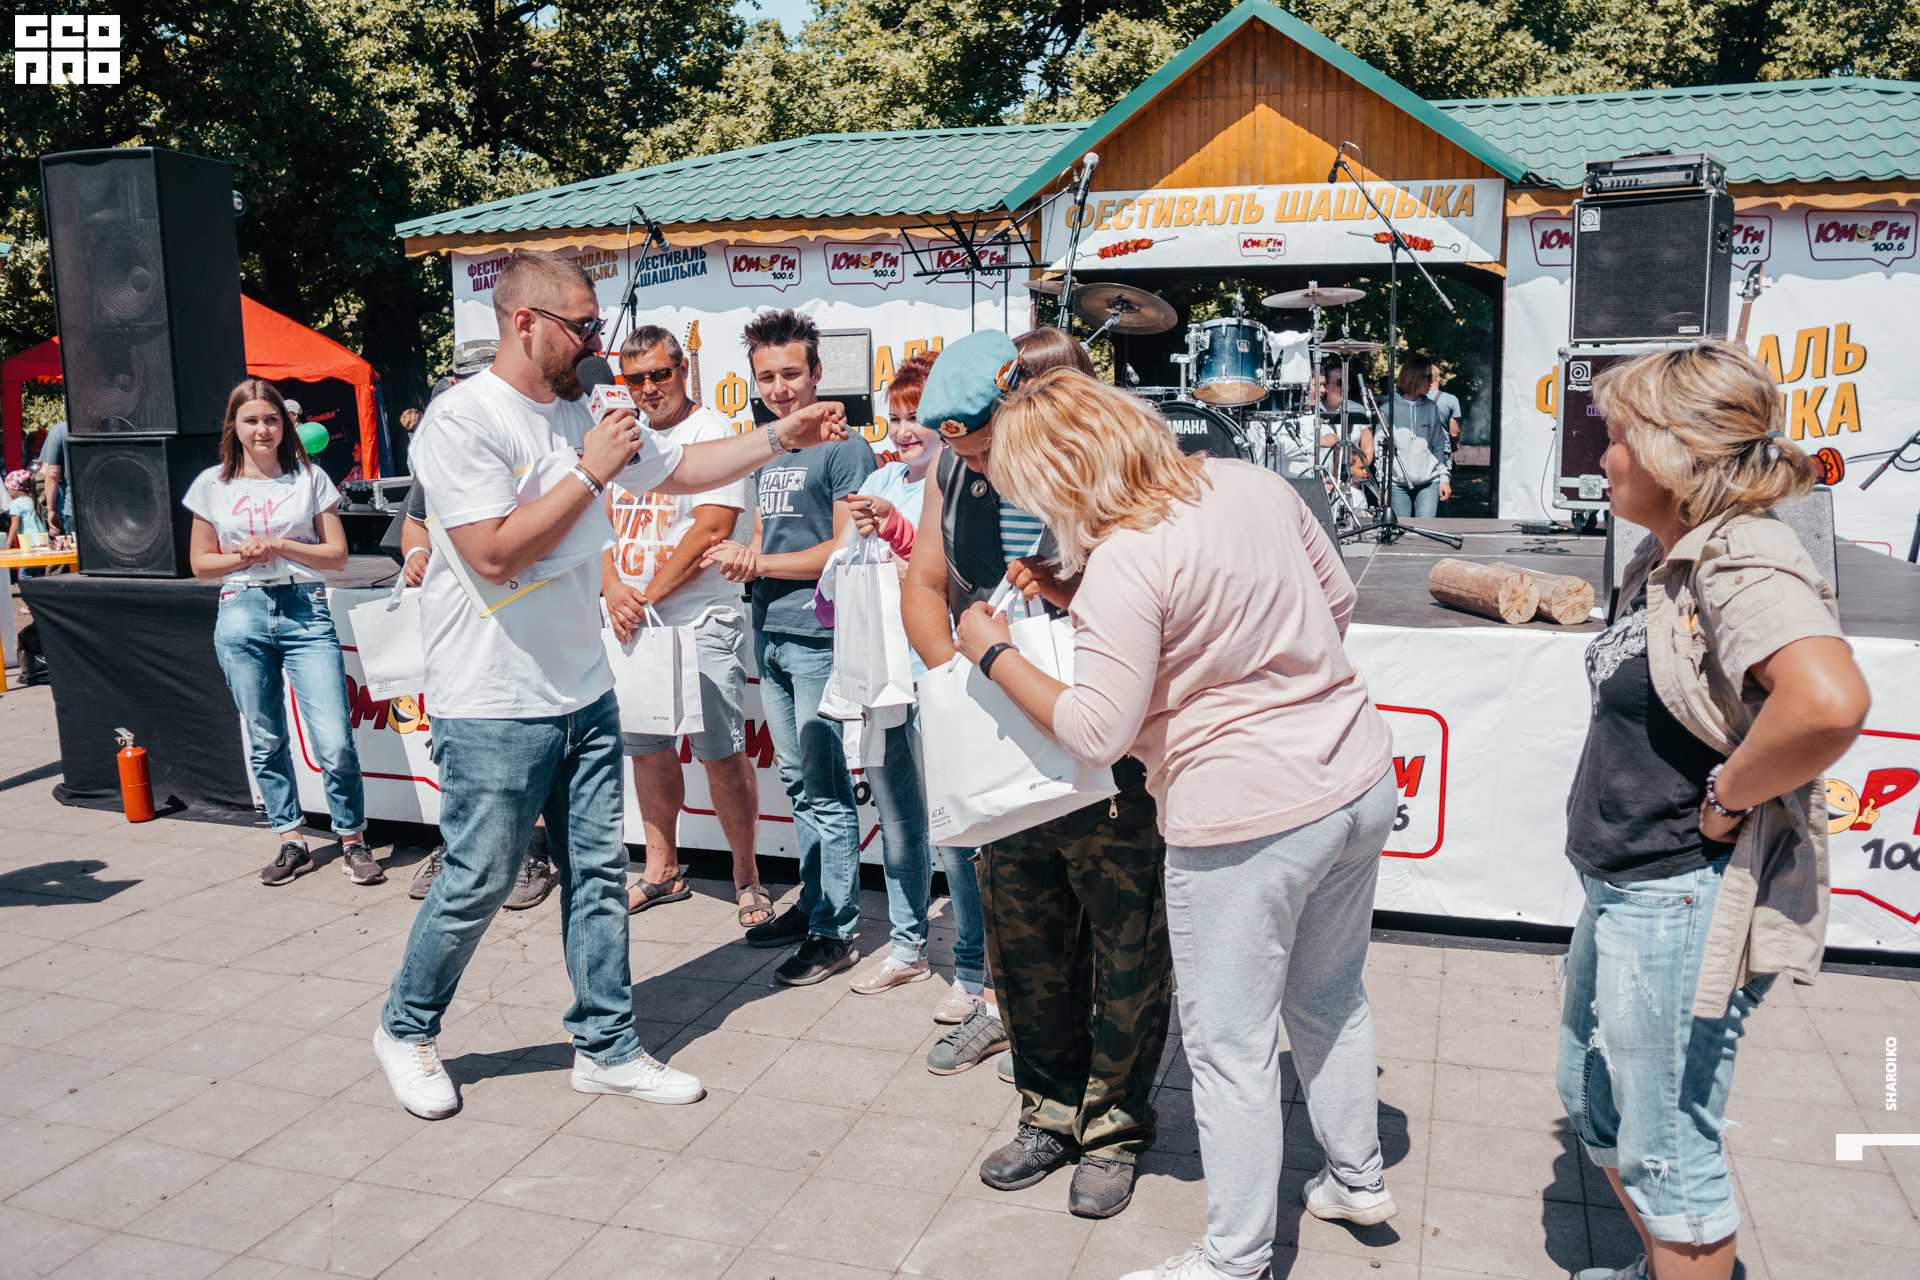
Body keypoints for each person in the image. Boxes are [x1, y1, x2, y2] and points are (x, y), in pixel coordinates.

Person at [374, 251, 850, 1122]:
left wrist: (784, 435)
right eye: (583, 327)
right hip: (492, 699)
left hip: (584, 690)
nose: (599, 345)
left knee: (597, 877)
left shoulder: (584, 410)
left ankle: (607, 1047)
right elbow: (492, 553)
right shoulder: (462, 419)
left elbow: (683, 468)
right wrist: (589, 471)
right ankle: (406, 1028)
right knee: (480, 877)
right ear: (525, 324)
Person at [952, 366, 1400, 1278]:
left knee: (1230, 1047)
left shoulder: (1125, 558)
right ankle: (1357, 1176)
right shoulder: (1249, 482)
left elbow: (1096, 729)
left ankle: (1236, 1256)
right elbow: (1337, 603)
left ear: (1062, 474)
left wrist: (993, 652)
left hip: (1242, 816)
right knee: (1330, 998)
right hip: (1354, 776)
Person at [1559, 343, 1870, 1280]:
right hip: (1629, 883)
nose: (1600, 455)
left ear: (1673, 453)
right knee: (1595, 1102)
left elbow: (1827, 703)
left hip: (1678, 897)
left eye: (1616, 436)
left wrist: (1727, 798)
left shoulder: (1739, 556)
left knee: (1668, 1157)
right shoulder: (1667, 553)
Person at [902, 328, 1173, 1219]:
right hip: (1003, 732)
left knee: (1127, 949)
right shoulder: (951, 472)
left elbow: (1152, 593)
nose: (978, 465)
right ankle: (1048, 1114)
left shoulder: (1106, 464)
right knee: (1024, 947)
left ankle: (1115, 1128)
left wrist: (1061, 591)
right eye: (966, 453)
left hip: (1106, 740)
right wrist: (952, 677)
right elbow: (925, 584)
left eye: (987, 448)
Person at [702, 309, 877, 986]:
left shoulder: (845, 449)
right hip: (771, 631)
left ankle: (835, 931)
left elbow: (841, 550)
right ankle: (813, 905)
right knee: (801, 783)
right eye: (767, 377)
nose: (779, 388)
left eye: (791, 374)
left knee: (826, 790)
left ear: (817, 373)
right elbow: (766, 538)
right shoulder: (769, 447)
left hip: (819, 639)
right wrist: (747, 560)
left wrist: (756, 563)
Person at [601, 324, 769, 926]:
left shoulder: (712, 432)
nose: (649, 388)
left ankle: (747, 877)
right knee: (647, 751)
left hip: (700, 618)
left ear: (683, 370)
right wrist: (612, 586)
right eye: (636, 379)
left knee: (720, 753)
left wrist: (643, 595)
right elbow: (595, 519)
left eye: (659, 373)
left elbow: (713, 529)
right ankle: (661, 871)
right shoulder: (620, 435)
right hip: (633, 622)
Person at [184, 380, 374, 887]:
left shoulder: (309, 478)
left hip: (304, 607)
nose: (262, 430)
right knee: (265, 736)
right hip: (240, 608)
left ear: (285, 425)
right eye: (251, 420)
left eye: (271, 419)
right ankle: (291, 838)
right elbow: (200, 564)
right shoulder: (211, 484)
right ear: (234, 426)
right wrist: (244, 557)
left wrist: (282, 547)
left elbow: (337, 556)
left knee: (333, 738)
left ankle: (353, 839)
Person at [835, 353, 951, 1001]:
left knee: (954, 830)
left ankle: (971, 968)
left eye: (917, 416)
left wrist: (899, 534)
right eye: (896, 417)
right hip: (881, 673)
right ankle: (907, 948)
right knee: (900, 824)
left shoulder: (960, 477)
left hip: (937, 671)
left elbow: (950, 573)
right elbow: (847, 565)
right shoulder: (880, 477)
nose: (904, 430)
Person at [397, 471, 557, 912]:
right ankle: (458, 848)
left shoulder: (537, 447)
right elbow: (415, 521)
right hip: (458, 625)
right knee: (459, 738)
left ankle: (531, 854)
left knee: (533, 733)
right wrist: (416, 552)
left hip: (531, 613)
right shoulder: (441, 454)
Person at [1384, 356, 1450, 518]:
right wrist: (1383, 486)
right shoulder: (1388, 409)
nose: (1431, 382)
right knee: (1401, 529)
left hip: (1429, 481)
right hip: (1396, 483)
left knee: (1426, 528)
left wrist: (1444, 478)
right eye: (1428, 377)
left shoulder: (1431, 407)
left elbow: (1438, 445)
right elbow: (1382, 452)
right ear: (1414, 377)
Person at [7, 468, 48, 581]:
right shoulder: (35, 501)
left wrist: (8, 543)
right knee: (37, 573)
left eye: (8, 488)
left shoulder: (16, 503)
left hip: (30, 545)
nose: (8, 491)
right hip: (43, 544)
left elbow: (15, 526)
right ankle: (38, 590)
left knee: (25, 574)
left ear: (15, 488)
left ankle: (29, 591)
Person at [36, 419, 72, 539]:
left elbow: (52, 474)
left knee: (78, 549)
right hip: (116, 506)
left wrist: (51, 510)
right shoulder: (114, 427)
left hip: (75, 509)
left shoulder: (60, 430)